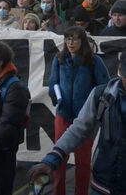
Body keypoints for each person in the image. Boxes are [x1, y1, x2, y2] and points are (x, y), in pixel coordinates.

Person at [28, 52, 126, 195]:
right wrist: (52, 159)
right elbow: (78, 130)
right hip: (103, 185)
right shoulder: (102, 95)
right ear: (119, 71)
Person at [47, 26, 110, 195]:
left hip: (85, 119)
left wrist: (94, 110)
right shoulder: (58, 59)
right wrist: (56, 99)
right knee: (59, 159)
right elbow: (53, 83)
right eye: (68, 38)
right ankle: (58, 192)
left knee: (83, 162)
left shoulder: (94, 61)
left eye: (74, 38)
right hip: (63, 115)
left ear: (82, 41)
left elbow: (104, 87)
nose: (70, 42)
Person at [0, 42, 30, 195]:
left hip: (3, 149)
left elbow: (8, 123)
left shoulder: (15, 88)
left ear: (0, 63)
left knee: (2, 188)